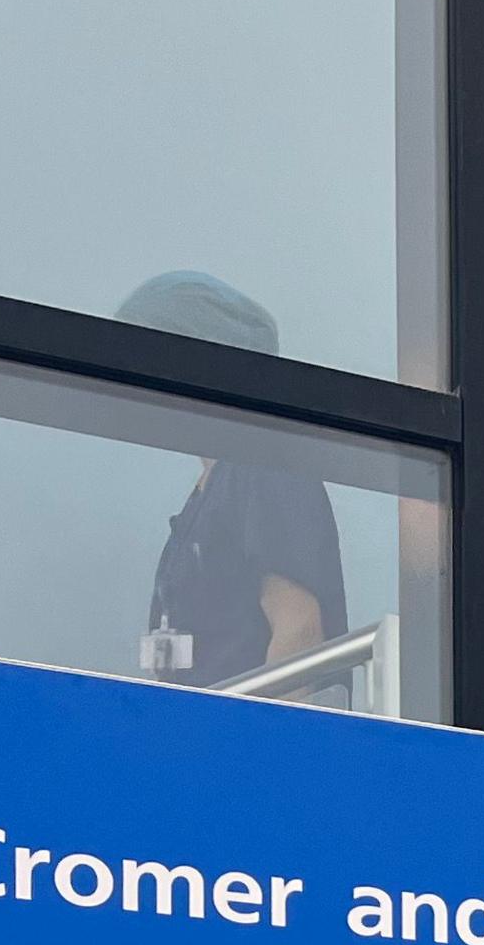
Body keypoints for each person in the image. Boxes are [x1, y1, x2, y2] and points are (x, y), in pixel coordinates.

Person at [115, 271, 351, 693]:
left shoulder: (264, 465)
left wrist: (259, 746)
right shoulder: (208, 492)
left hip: (249, 742)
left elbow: (298, 631)